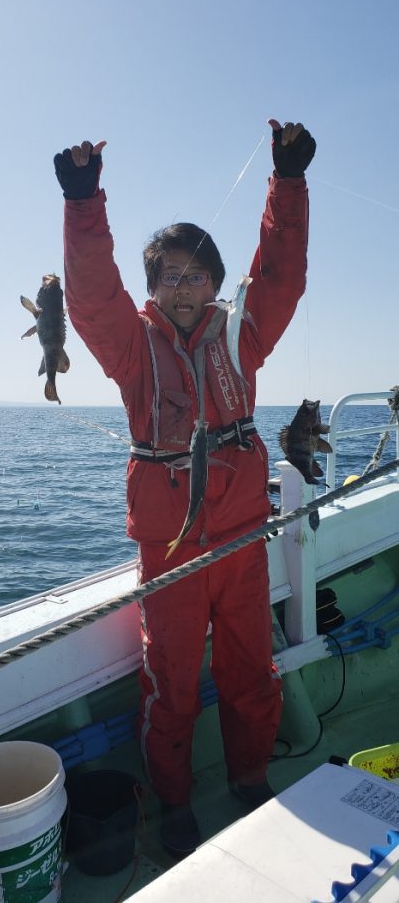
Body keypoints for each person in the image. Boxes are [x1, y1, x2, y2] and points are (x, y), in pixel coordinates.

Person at [54, 119, 315, 858]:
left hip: (240, 538)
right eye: (169, 275)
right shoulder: (131, 349)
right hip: (169, 552)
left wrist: (287, 182)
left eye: (197, 274)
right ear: (152, 288)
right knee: (170, 687)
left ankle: (249, 778)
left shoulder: (243, 335)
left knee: (249, 672)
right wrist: (83, 200)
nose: (184, 287)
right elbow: (93, 301)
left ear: (215, 283)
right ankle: (172, 805)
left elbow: (281, 276)